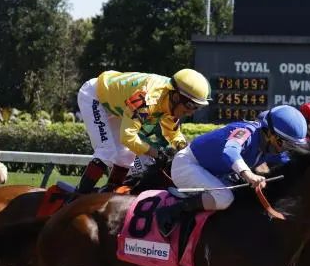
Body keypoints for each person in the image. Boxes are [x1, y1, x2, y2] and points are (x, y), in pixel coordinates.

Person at [158, 105, 309, 236]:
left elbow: (293, 165)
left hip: (211, 172)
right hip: (187, 165)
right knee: (224, 198)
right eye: (285, 144)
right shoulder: (246, 131)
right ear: (270, 133)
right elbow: (230, 151)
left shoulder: (272, 148)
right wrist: (248, 174)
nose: (285, 150)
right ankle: (173, 211)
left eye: (291, 146)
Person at [76, 68, 210, 193]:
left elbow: (173, 133)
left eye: (196, 109)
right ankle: (78, 197)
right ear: (176, 98)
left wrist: (184, 149)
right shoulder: (147, 100)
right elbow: (128, 137)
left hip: (116, 106)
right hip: (94, 96)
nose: (189, 114)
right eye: (188, 108)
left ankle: (110, 193)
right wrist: (155, 153)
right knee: (107, 151)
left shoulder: (170, 99)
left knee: (126, 156)